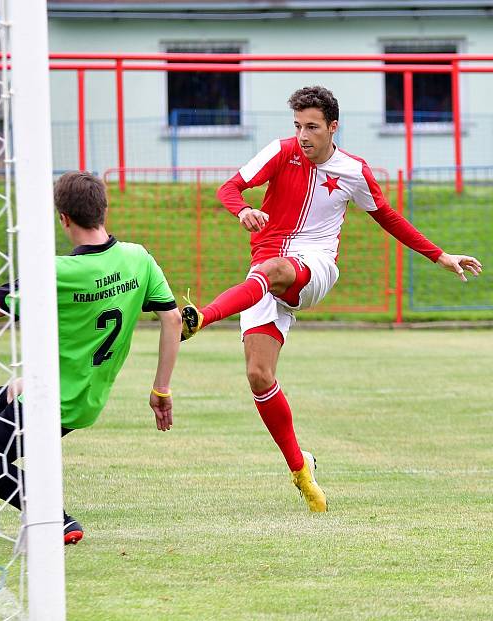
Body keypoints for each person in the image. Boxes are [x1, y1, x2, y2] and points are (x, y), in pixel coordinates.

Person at [180, 85, 482, 512]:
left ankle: (201, 318)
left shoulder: (353, 170)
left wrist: (439, 255)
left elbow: (388, 216)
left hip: (315, 265)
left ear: (333, 127)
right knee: (259, 375)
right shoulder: (280, 152)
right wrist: (242, 210)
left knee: (274, 271)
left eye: (312, 127)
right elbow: (229, 189)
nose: (303, 136)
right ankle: (302, 470)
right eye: (298, 126)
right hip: (267, 270)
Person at [0, 171, 182, 543]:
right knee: (17, 387)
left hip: (50, 400)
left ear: (63, 218)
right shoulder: (137, 258)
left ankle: (56, 519)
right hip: (88, 397)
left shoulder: (58, 272)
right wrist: (161, 389)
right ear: (103, 209)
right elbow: (172, 319)